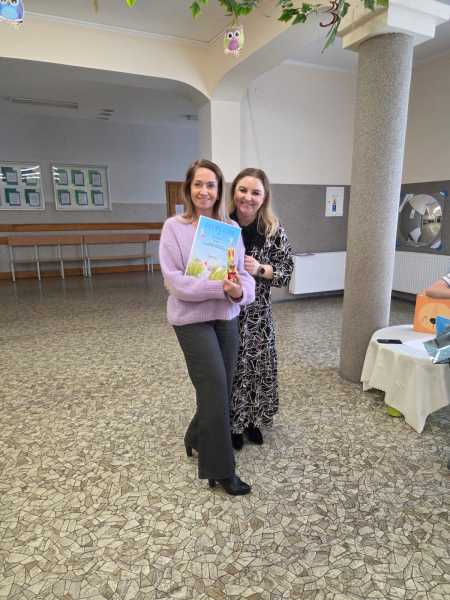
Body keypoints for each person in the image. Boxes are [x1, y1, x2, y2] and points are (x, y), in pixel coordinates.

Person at [159, 159, 255, 495]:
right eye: (197, 184)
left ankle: (196, 435)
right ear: (188, 189)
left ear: (219, 190)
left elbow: (242, 276)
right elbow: (176, 283)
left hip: (226, 316)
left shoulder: (229, 229)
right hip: (191, 321)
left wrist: (239, 292)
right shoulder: (174, 227)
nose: (204, 191)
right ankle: (221, 470)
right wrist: (220, 288)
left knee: (220, 390)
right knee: (214, 388)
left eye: (210, 185)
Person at [229, 168, 294, 450]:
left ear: (264, 197)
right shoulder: (222, 225)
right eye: (243, 190)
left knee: (257, 369)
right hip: (226, 314)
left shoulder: (273, 230)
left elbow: (286, 271)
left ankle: (252, 421)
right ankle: (232, 424)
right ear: (234, 192)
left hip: (258, 317)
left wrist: (261, 269)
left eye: (255, 192)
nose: (248, 197)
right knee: (232, 371)